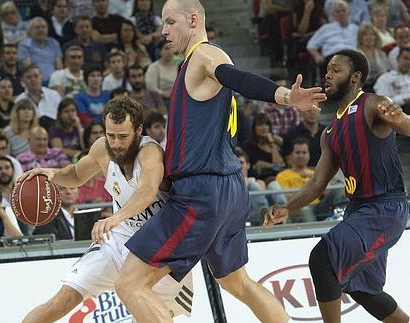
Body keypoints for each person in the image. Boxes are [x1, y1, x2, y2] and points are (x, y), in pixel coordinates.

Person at [110, 1, 325, 322]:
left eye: (170, 22)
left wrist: (285, 96)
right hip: (226, 187)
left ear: (193, 19)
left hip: (201, 192)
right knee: (237, 281)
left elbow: (237, 77)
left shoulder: (205, 55)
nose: (163, 31)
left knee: (129, 284)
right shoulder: (195, 64)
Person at [263, 49, 409, 322]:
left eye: (336, 69)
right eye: (327, 69)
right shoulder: (330, 131)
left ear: (355, 77)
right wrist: (288, 208)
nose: (328, 74)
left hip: (384, 209)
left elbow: (406, 126)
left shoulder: (373, 103)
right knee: (363, 290)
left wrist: (400, 118)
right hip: (360, 210)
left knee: (322, 259)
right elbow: (318, 182)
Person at [21, 96, 193, 323]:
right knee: (63, 298)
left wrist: (115, 217)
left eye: (123, 137)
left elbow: (147, 191)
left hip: (158, 247)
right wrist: (52, 174)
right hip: (118, 240)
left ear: (138, 130)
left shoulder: (150, 152)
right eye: (111, 135)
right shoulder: (102, 148)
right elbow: (75, 174)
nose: (116, 144)